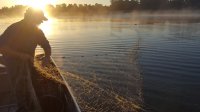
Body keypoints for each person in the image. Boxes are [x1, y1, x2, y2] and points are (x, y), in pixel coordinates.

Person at [0, 7, 51, 112]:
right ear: (32, 18)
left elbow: (46, 46)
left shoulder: (37, 31)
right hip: (13, 65)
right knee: (20, 91)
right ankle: (23, 108)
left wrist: (47, 57)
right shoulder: (14, 28)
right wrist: (20, 56)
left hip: (29, 62)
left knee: (35, 86)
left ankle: (35, 105)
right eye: (40, 19)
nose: (41, 21)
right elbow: (2, 48)